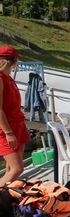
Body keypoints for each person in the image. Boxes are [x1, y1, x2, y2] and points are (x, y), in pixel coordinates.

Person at [0, 47, 30, 187]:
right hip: (7, 129)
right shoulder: (0, 79)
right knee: (17, 169)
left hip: (18, 124)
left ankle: (5, 200)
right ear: (13, 60)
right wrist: (8, 133)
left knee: (11, 169)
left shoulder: (8, 78)